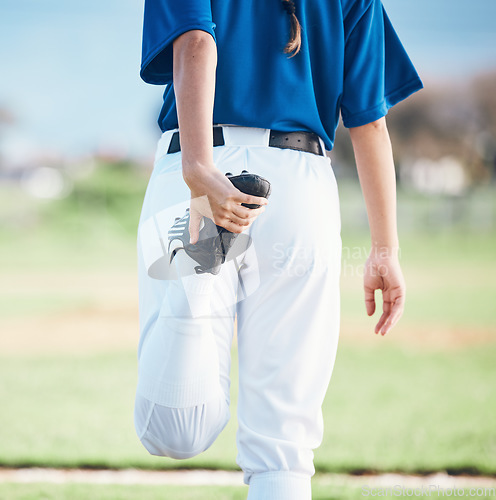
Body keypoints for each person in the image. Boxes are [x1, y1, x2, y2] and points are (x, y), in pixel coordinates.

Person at [134, 0, 423, 498]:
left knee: (174, 433)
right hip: (299, 184)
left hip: (199, 171)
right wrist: (384, 250)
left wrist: (201, 171)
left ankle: (197, 277)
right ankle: (200, 268)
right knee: (283, 451)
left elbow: (197, 43)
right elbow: (370, 122)